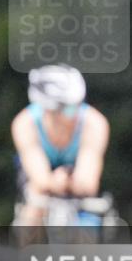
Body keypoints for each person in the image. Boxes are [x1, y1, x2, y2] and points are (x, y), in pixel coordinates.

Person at [11, 65, 110, 226]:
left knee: (88, 223)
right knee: (33, 210)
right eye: (68, 108)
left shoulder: (95, 123)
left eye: (77, 104)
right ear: (48, 109)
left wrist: (67, 178)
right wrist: (52, 182)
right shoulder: (25, 123)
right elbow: (39, 178)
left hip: (74, 176)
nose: (74, 112)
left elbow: (88, 182)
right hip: (41, 178)